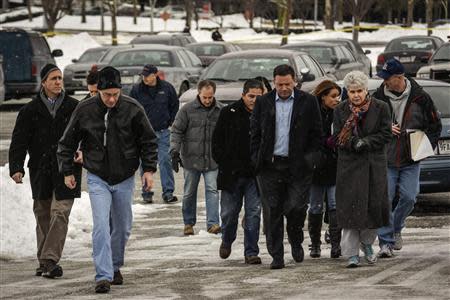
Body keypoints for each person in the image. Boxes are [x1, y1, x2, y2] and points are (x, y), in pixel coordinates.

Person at [57, 66, 158, 293]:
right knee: (101, 225)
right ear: (98, 92)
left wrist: (149, 171)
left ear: (120, 90)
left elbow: (149, 141)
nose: (111, 99)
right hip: (97, 176)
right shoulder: (85, 110)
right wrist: (67, 171)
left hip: (124, 176)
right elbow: (66, 143)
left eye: (115, 94)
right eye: (106, 95)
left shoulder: (133, 109)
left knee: (122, 228)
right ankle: (103, 275)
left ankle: (114, 266)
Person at [9, 63, 81, 279]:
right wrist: (16, 167)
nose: (58, 82)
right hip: (40, 169)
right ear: (43, 83)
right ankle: (44, 262)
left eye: (60, 78)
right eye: (53, 79)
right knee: (42, 215)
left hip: (67, 170)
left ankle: (49, 259)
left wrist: (82, 150)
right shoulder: (29, 110)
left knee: (60, 213)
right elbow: (19, 141)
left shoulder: (74, 107)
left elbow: (86, 134)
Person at [250, 64, 322, 269]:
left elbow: (317, 135)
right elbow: (254, 132)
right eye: (279, 84)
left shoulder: (308, 102)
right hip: (270, 166)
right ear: (274, 82)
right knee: (273, 211)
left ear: (295, 82)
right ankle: (277, 256)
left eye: (287, 84)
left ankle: (296, 238)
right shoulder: (263, 102)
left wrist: (311, 159)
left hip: (298, 166)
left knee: (296, 208)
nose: (283, 88)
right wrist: (256, 158)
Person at [374, 58, 442, 258]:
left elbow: (434, 126)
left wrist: (426, 145)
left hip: (411, 157)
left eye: (388, 78)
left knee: (409, 197)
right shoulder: (378, 96)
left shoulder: (421, 97)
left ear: (399, 77)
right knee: (384, 199)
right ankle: (385, 242)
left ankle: (396, 227)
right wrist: (385, 129)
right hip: (386, 157)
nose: (385, 82)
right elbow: (370, 124)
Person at [333, 70, 391, 268]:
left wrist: (366, 142)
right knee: (350, 211)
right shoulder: (340, 110)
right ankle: (351, 254)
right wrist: (354, 142)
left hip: (374, 165)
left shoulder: (381, 107)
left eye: (359, 90)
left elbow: (385, 134)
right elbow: (338, 137)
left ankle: (367, 244)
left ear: (367, 90)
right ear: (347, 92)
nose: (356, 95)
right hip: (349, 166)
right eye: (352, 91)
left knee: (371, 210)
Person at [212, 79, 264, 265]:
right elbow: (216, 142)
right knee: (229, 213)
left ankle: (251, 251)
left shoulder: (266, 113)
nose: (255, 100)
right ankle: (227, 239)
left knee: (253, 213)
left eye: (259, 97)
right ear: (243, 95)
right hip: (231, 175)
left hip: (255, 175)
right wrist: (225, 162)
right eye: (251, 96)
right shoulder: (229, 112)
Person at [170, 80, 224, 236]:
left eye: (210, 97)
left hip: (213, 160)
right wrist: (174, 151)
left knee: (212, 190)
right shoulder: (187, 110)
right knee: (189, 192)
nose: (207, 101)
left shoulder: (220, 110)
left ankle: (213, 224)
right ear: (198, 94)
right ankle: (188, 223)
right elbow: (176, 131)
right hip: (191, 159)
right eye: (204, 97)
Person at [130, 64, 179, 204]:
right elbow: (131, 108)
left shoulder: (167, 88)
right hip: (144, 134)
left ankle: (168, 192)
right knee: (145, 163)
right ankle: (147, 193)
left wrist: (171, 121)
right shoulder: (137, 90)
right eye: (143, 75)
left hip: (163, 131)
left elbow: (174, 105)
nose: (144, 78)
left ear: (155, 74)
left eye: (147, 75)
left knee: (165, 161)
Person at [307, 80, 342, 259]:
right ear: (323, 97)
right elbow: (309, 137)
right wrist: (326, 141)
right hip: (316, 166)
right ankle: (315, 244)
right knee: (315, 205)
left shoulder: (339, 113)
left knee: (335, 204)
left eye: (338, 96)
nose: (337, 100)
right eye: (333, 96)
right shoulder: (313, 113)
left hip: (335, 165)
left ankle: (336, 244)